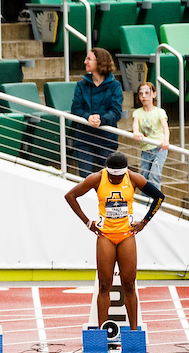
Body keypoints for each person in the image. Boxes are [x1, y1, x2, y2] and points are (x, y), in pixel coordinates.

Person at [64, 152, 164, 333]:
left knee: (129, 285)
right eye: (113, 177)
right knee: (104, 285)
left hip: (126, 235)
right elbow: (70, 196)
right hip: (106, 236)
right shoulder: (96, 178)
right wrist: (87, 222)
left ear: (125, 172)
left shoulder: (133, 178)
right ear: (107, 171)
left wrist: (144, 222)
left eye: (119, 177)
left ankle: (134, 332)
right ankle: (103, 332)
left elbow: (159, 197)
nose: (116, 180)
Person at [70, 48, 123, 178]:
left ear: (100, 62)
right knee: (86, 178)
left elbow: (116, 112)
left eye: (89, 59)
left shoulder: (115, 86)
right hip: (84, 138)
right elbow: (76, 109)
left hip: (106, 139)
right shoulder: (81, 85)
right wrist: (88, 117)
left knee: (106, 179)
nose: (85, 62)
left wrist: (101, 119)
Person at [130, 82, 170, 190]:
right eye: (141, 94)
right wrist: (136, 132)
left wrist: (166, 140)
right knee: (144, 177)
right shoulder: (137, 112)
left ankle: (156, 200)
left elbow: (165, 128)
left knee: (154, 175)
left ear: (154, 94)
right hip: (146, 150)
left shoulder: (160, 112)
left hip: (159, 148)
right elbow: (135, 125)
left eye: (147, 93)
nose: (144, 96)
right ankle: (145, 200)